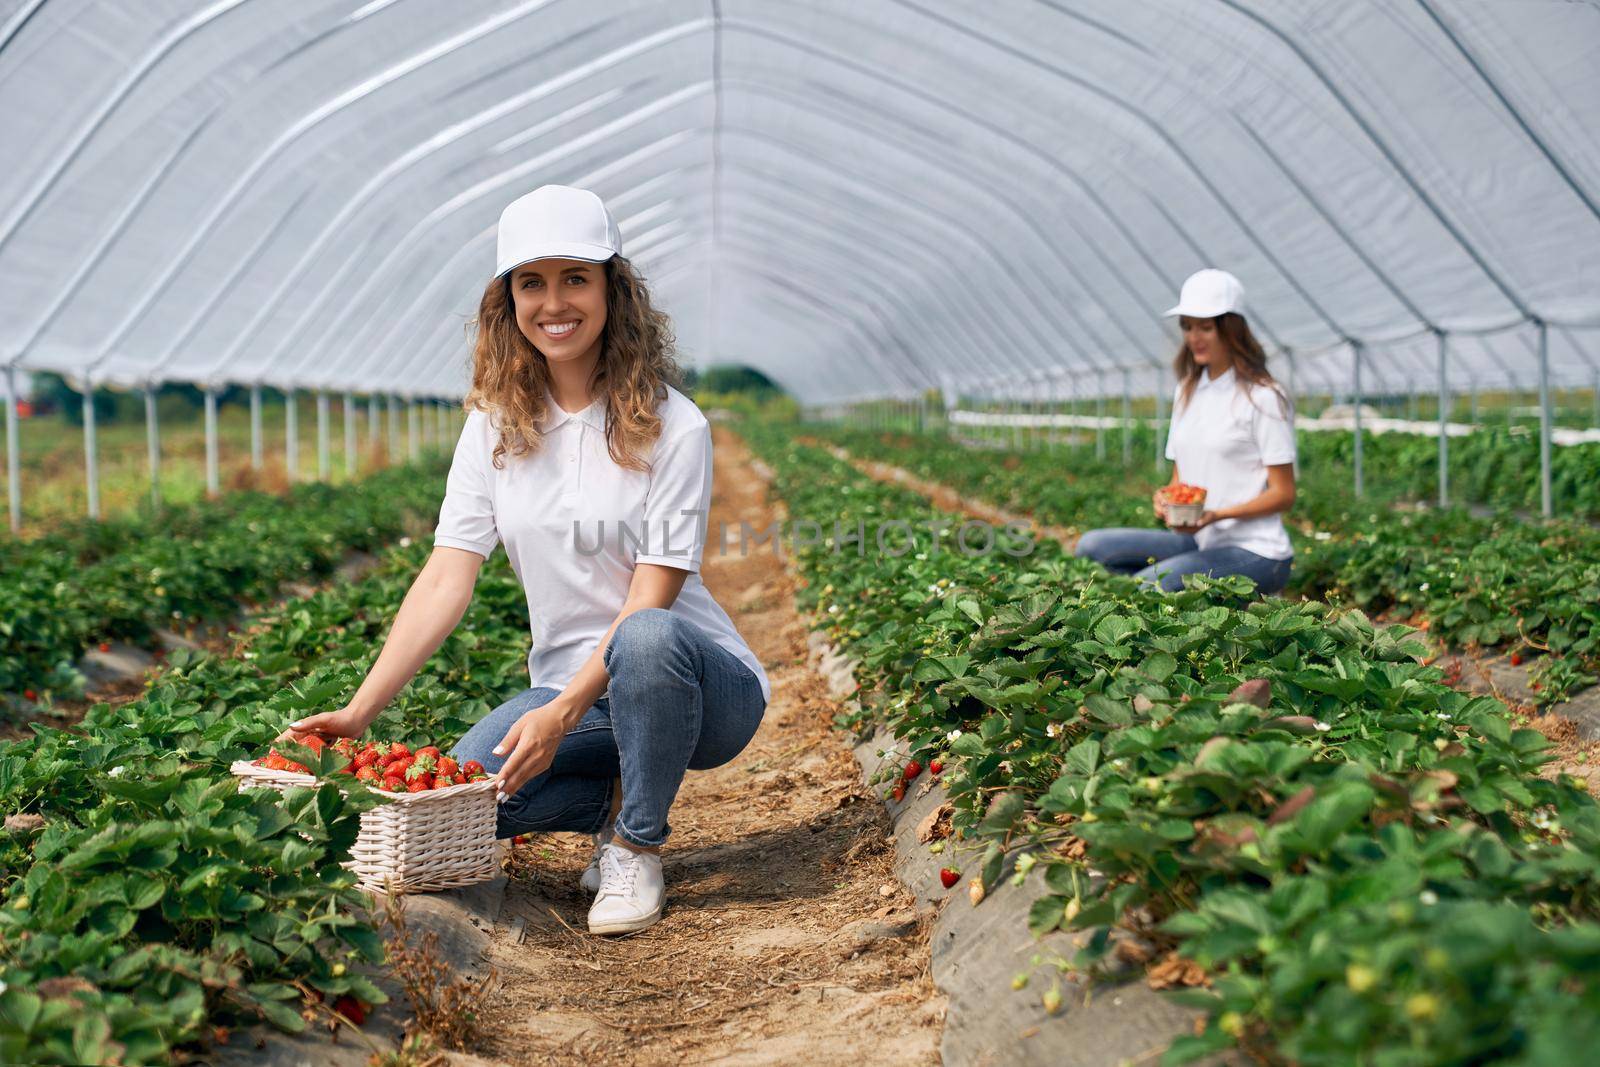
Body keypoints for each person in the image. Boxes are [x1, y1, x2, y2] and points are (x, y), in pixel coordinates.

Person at [285, 185, 770, 935]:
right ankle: (607, 798)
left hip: (699, 686)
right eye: (531, 282)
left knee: (643, 640)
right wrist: (359, 709)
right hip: (567, 687)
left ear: (614, 288)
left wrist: (561, 715)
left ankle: (637, 845)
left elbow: (653, 598)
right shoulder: (494, 428)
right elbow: (448, 575)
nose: (555, 302)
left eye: (575, 277)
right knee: (461, 794)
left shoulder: (675, 426)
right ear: (506, 299)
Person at [1075, 269, 1296, 594]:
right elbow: (1181, 477)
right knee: (1091, 546)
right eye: (1188, 326)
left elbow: (1283, 494)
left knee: (1147, 587)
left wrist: (1216, 515)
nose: (1194, 337)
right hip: (1200, 541)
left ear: (1231, 329)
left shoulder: (1262, 396)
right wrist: (1167, 499)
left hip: (1257, 552)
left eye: (1206, 327)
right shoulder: (1188, 391)